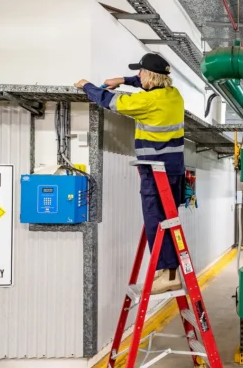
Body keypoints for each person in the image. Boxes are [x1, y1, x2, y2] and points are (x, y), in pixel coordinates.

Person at [75, 53, 184, 293]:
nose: (139, 76)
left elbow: (108, 101)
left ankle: (167, 273)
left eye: (141, 72)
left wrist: (86, 86)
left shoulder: (146, 102)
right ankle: (170, 271)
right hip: (174, 168)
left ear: (150, 76)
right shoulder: (173, 95)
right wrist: (123, 79)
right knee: (169, 219)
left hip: (155, 171)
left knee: (155, 221)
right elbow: (148, 83)